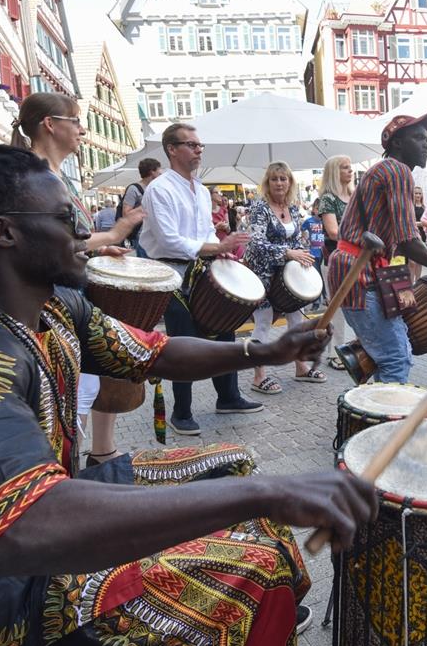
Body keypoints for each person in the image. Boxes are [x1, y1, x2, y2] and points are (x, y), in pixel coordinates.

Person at [0, 144, 376, 646]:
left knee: (231, 463)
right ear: (2, 232)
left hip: (47, 514)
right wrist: (268, 493)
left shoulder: (53, 307)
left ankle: (262, 626)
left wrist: (260, 352)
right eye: (66, 218)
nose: (87, 231)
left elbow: (157, 351)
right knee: (254, 559)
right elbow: (24, 528)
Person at [10, 93, 143, 467]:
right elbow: (56, 244)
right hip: (50, 299)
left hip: (63, 294)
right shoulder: (34, 175)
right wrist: (115, 233)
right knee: (72, 390)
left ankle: (77, 465)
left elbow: (65, 240)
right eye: (74, 120)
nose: (82, 129)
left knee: (81, 387)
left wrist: (99, 251)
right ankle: (63, 474)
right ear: (50, 125)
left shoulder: (51, 174)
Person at [140, 123, 264, 435]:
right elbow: (168, 240)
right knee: (184, 342)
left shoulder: (199, 189)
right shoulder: (159, 189)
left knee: (225, 330)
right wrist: (216, 246)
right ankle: (181, 412)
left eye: (199, 145)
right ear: (172, 149)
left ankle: (228, 396)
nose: (199, 150)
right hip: (172, 272)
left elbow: (205, 230)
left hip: (201, 267)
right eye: (192, 145)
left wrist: (218, 250)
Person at [327, 112, 427, 383]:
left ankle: (374, 416)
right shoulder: (396, 170)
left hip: (358, 270)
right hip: (359, 274)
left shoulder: (384, 170)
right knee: (396, 357)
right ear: (397, 143)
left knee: (380, 358)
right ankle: (390, 424)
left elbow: (402, 239)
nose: (426, 144)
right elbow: (407, 239)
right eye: (418, 138)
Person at [244, 161, 326, 393]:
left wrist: (302, 252)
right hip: (262, 273)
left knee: (296, 319)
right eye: (274, 179)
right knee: (263, 322)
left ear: (290, 182)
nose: (279, 183)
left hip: (287, 276)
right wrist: (288, 252)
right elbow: (256, 242)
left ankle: (300, 366)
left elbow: (296, 240)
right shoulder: (260, 207)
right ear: (267, 183)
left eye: (283, 179)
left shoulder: (292, 208)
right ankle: (259, 376)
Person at [317, 154, 354, 369]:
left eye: (350, 167)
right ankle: (335, 353)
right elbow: (332, 232)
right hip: (336, 259)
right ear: (334, 172)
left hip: (357, 258)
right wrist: (360, 236)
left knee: (359, 304)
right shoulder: (328, 198)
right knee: (337, 306)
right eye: (344, 168)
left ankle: (355, 348)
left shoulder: (354, 195)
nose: (350, 171)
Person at [119, 158, 161, 255]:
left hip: (154, 234)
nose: (161, 175)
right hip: (141, 235)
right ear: (152, 172)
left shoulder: (155, 188)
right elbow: (126, 214)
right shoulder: (133, 189)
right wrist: (147, 205)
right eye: (159, 172)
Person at [410, 186, 426, 282]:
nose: (418, 195)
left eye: (419, 193)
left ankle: (418, 282)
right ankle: (411, 283)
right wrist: (421, 223)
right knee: (411, 262)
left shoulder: (424, 207)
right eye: (416, 193)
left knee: (420, 261)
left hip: (422, 235)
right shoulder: (410, 206)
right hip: (411, 235)